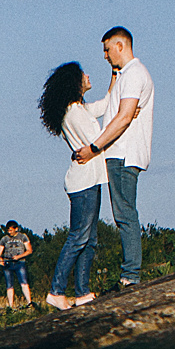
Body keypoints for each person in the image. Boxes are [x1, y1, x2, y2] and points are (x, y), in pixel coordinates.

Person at [72, 26, 153, 289]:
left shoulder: (134, 74)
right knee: (123, 213)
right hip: (120, 153)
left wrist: (94, 148)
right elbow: (114, 105)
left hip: (124, 153)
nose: (105, 56)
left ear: (120, 46)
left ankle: (131, 275)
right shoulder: (126, 75)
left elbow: (123, 117)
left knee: (125, 213)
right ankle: (130, 273)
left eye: (107, 49)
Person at [40, 60, 108, 307]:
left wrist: (116, 79)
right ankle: (57, 290)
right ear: (74, 82)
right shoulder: (75, 113)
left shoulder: (78, 109)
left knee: (89, 239)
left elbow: (103, 106)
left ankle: (82, 292)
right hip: (85, 181)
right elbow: (98, 141)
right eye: (83, 75)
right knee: (79, 237)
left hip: (90, 179)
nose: (88, 76)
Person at [0, 220, 35, 309]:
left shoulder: (23, 237)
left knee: (23, 282)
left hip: (20, 263)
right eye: (8, 230)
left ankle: (29, 302)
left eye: (11, 230)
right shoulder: (4, 239)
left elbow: (29, 250)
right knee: (9, 285)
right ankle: (11, 306)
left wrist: (19, 256)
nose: (9, 232)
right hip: (8, 264)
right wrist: (0, 259)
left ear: (16, 229)